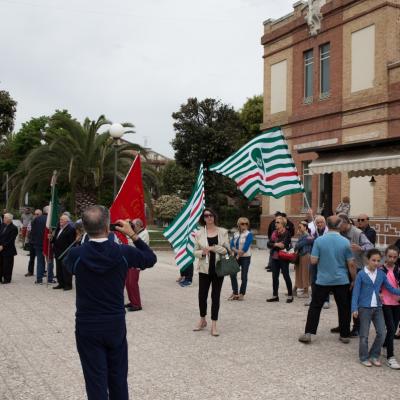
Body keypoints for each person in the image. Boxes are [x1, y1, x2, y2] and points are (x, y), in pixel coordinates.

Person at [63, 205, 157, 400]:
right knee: (118, 378)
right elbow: (150, 259)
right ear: (108, 226)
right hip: (114, 323)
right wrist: (133, 235)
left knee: (95, 380)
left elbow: (67, 264)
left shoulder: (76, 255)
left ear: (85, 228)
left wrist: (82, 239)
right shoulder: (123, 252)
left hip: (87, 324)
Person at [299, 215, 356, 344]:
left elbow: (313, 261)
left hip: (323, 279)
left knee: (315, 306)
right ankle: (344, 334)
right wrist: (354, 279)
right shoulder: (345, 241)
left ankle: (309, 333)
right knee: (344, 307)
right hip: (341, 279)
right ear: (340, 225)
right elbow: (351, 263)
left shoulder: (319, 241)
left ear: (327, 225)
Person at [352, 249, 400, 367]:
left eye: (378, 260)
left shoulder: (381, 274)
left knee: (382, 332)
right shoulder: (361, 274)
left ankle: (374, 355)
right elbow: (356, 293)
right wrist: (354, 308)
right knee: (364, 334)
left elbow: (391, 289)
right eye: (373, 260)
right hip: (364, 308)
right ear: (367, 260)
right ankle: (363, 357)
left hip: (378, 308)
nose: (376, 263)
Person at [193, 208, 229, 336]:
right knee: (202, 296)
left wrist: (213, 248)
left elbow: (226, 250)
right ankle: (202, 320)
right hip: (204, 269)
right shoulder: (199, 233)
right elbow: (194, 251)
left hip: (219, 269)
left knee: (215, 296)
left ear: (214, 216)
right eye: (206, 216)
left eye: (211, 215)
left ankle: (214, 324)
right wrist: (202, 252)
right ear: (203, 218)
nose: (208, 218)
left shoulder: (223, 232)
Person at [337, 213, 374, 337]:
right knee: (343, 299)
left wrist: (361, 248)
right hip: (344, 269)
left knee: (355, 299)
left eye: (339, 224)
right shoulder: (339, 233)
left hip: (357, 269)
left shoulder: (357, 233)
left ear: (346, 223)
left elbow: (371, 246)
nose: (338, 227)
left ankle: (357, 327)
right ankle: (343, 325)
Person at [380, 245, 400, 369]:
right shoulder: (381, 270)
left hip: (397, 302)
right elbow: (376, 284)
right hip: (385, 303)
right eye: (389, 256)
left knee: (394, 326)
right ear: (385, 256)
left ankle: (385, 345)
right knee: (391, 328)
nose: (392, 259)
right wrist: (379, 293)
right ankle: (390, 357)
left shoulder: (398, 269)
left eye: (394, 257)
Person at [266, 216, 293, 303]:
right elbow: (268, 244)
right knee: (274, 277)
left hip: (283, 258)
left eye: (278, 222)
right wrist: (276, 244)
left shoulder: (287, 233)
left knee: (286, 276)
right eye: (275, 222)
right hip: (274, 257)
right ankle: (275, 296)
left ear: (283, 224)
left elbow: (283, 245)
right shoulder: (274, 232)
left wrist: (274, 244)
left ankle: (290, 295)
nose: (275, 224)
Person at [125, 218, 150, 312]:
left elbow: (134, 246)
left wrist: (129, 234)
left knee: (132, 283)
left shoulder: (144, 233)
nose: (132, 227)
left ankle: (137, 304)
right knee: (128, 282)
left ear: (139, 226)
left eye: (133, 226)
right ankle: (132, 301)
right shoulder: (137, 233)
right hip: (131, 260)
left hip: (137, 261)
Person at [306, 215, 330, 308]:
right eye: (317, 223)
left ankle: (326, 300)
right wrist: (310, 240)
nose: (319, 224)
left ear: (325, 223)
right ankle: (314, 298)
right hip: (314, 259)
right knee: (313, 280)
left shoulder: (328, 232)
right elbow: (308, 242)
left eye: (321, 222)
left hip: (324, 259)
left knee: (325, 279)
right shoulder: (313, 232)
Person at [228, 217, 253, 301]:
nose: (245, 225)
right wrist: (236, 251)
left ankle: (242, 293)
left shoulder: (249, 234)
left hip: (246, 257)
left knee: (244, 276)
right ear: (238, 224)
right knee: (232, 274)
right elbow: (231, 245)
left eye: (246, 224)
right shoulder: (235, 234)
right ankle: (235, 292)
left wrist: (239, 253)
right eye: (242, 223)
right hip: (236, 256)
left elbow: (246, 247)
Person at [52, 214, 76, 290]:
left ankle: (68, 285)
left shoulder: (71, 229)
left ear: (67, 221)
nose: (60, 221)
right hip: (57, 251)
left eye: (62, 220)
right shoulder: (59, 228)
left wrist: (68, 252)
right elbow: (55, 239)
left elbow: (72, 243)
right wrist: (51, 239)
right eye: (60, 219)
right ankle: (61, 283)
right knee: (58, 269)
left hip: (65, 252)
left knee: (66, 269)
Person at [294, 221, 313, 298]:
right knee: (298, 273)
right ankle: (295, 289)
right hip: (300, 255)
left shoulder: (307, 236)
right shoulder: (302, 236)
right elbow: (297, 245)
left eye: (300, 227)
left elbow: (299, 245)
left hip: (305, 256)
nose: (298, 228)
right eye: (298, 227)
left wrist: (297, 244)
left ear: (305, 227)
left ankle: (306, 292)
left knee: (305, 273)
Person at [30, 206, 48, 284]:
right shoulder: (50, 219)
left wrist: (33, 241)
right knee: (49, 261)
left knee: (40, 261)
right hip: (48, 243)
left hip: (37, 243)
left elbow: (32, 231)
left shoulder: (36, 219)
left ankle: (39, 279)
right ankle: (50, 278)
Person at [0, 213, 18, 284]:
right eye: (4, 218)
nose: (3, 219)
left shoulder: (14, 228)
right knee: (0, 263)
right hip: (0, 248)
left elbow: (11, 239)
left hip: (8, 249)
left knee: (7, 265)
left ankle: (7, 279)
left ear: (9, 219)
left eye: (5, 218)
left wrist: (3, 245)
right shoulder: (1, 225)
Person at [25, 209, 42, 277]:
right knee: (31, 258)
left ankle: (42, 271)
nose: (36, 215)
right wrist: (28, 240)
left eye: (38, 214)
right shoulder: (31, 221)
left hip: (40, 242)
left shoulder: (43, 222)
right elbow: (28, 231)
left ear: (41, 215)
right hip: (32, 242)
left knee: (41, 258)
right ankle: (30, 271)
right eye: (35, 214)